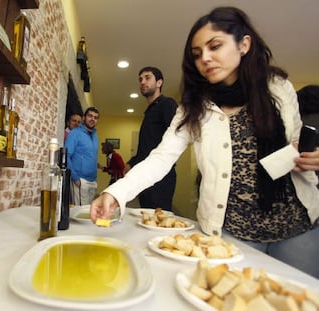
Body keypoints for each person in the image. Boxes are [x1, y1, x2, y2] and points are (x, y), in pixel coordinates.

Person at [90, 7, 319, 277]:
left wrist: (312, 155)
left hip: (296, 224)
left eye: (215, 46)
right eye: (197, 54)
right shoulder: (193, 107)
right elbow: (160, 158)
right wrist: (116, 192)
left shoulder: (278, 87)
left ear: (244, 44)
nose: (205, 59)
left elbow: (296, 140)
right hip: (233, 231)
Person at [125, 66, 178, 211]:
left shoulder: (167, 104)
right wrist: (131, 162)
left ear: (159, 83)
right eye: (140, 79)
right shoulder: (149, 112)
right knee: (145, 218)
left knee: (158, 222)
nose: (142, 82)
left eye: (147, 78)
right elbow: (148, 147)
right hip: (146, 177)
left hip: (160, 178)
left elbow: (174, 141)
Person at [65, 107, 100, 205]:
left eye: (95, 117)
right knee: (79, 213)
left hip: (93, 181)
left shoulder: (96, 137)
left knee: (88, 212)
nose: (92, 119)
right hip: (80, 180)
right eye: (90, 116)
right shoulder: (74, 133)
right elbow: (66, 155)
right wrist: (75, 178)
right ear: (84, 118)